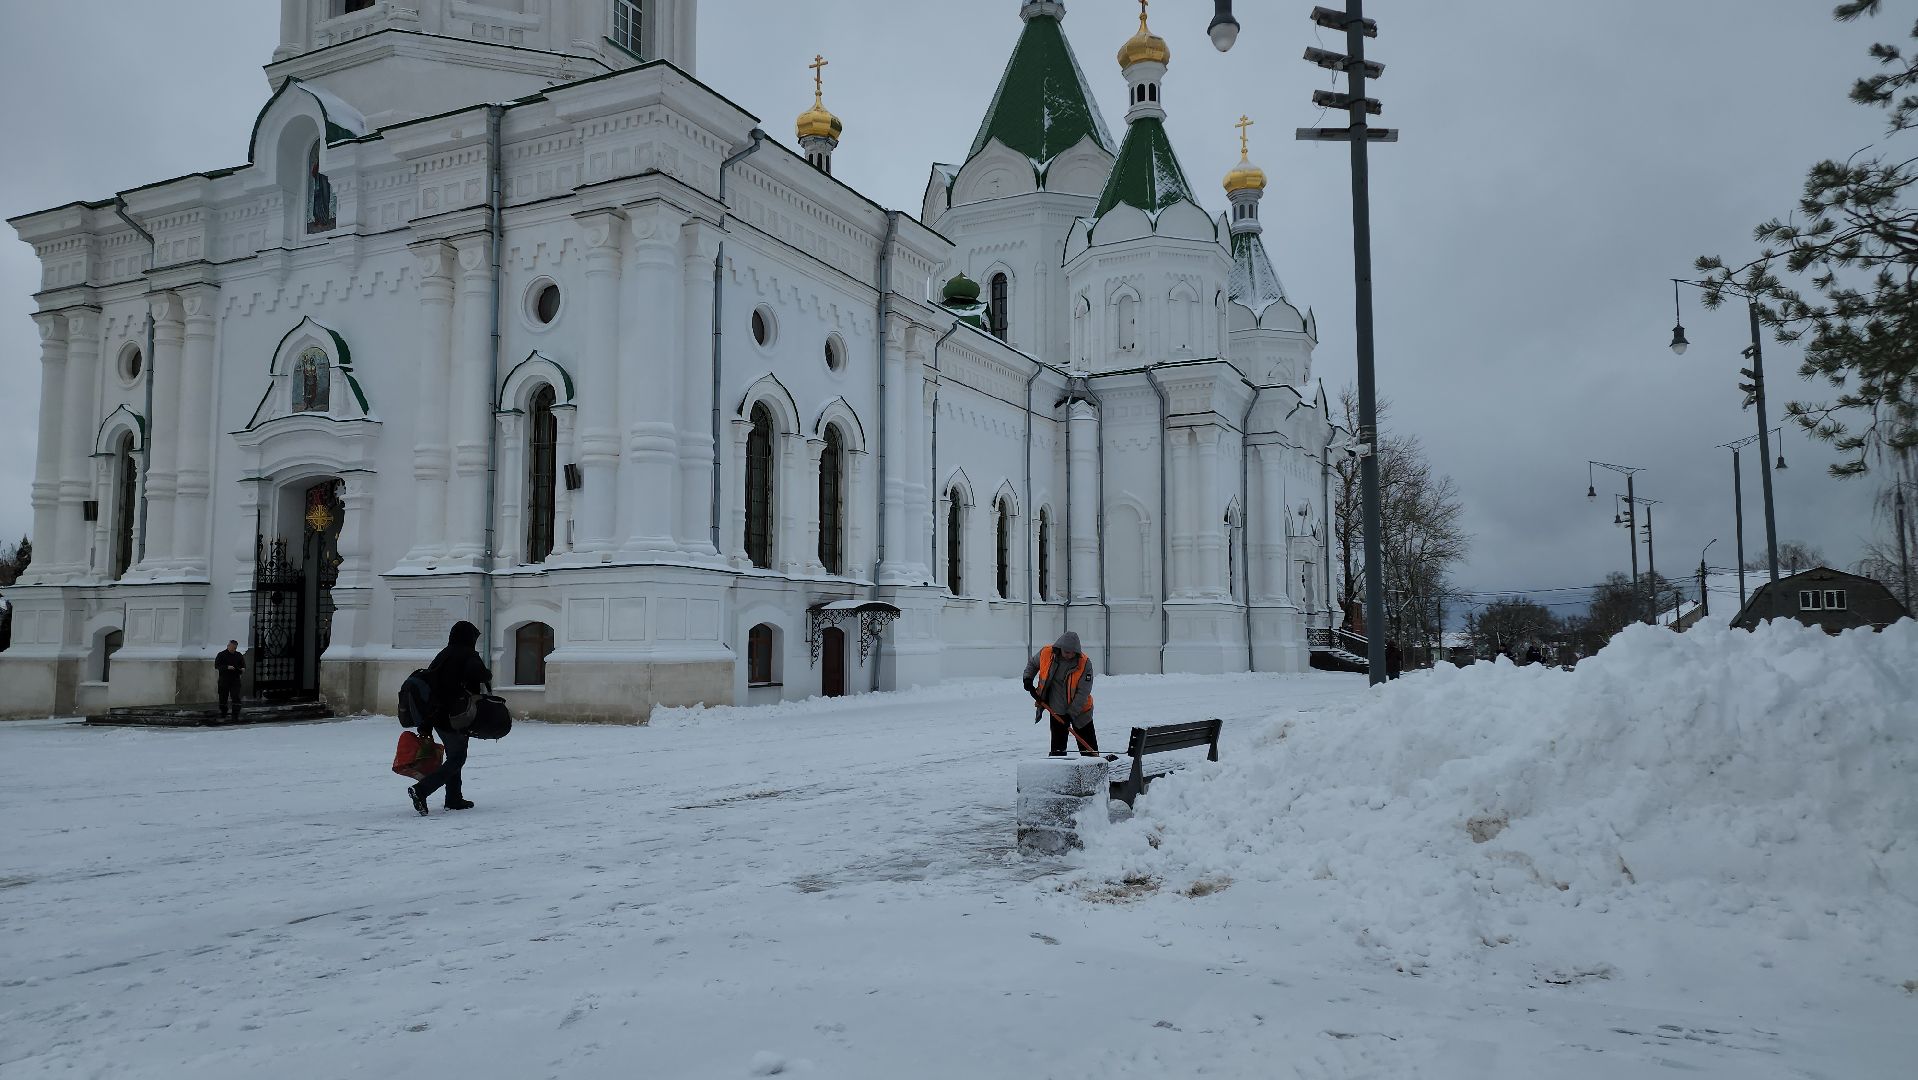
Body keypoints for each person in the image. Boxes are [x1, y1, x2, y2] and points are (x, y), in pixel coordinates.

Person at [407, 620, 491, 815]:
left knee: (455, 755)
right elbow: (482, 675)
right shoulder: (467, 654)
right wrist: (487, 672)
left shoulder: (443, 655)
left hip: (437, 714)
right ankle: (422, 790)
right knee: (457, 758)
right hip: (455, 714)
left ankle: (453, 798)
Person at [1023, 630, 1098, 757]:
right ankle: (1058, 773)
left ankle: (1094, 770)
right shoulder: (1046, 653)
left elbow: (1083, 693)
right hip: (1056, 709)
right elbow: (1033, 664)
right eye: (1067, 652)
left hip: (1080, 711)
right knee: (1058, 750)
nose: (1069, 655)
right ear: (1060, 648)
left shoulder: (1084, 663)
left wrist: (1071, 713)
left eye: (1072, 653)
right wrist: (1028, 679)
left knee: (1088, 747)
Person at [214, 640, 245, 721]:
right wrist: (227, 667)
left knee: (235, 696)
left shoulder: (238, 655)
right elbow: (217, 665)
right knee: (223, 697)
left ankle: (235, 714)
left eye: (235, 648)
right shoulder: (221, 654)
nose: (233, 649)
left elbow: (243, 664)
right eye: (232, 647)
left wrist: (242, 669)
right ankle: (223, 713)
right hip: (224, 679)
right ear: (228, 646)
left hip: (235, 679)